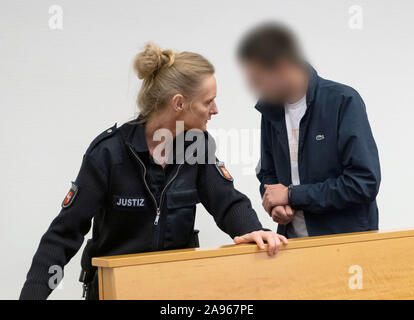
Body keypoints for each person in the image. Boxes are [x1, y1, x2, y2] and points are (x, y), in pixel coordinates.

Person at [20, 43, 287, 300]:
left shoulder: (197, 145)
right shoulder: (109, 153)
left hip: (175, 291)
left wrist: (253, 230)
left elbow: (227, 202)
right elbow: (63, 234)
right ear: (179, 103)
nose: (215, 110)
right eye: (209, 102)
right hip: (114, 290)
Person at [237, 23, 381, 238]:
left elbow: (364, 183)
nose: (256, 88)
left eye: (259, 80)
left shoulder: (343, 101)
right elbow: (268, 174)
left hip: (345, 245)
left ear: (282, 67)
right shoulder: (270, 109)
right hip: (291, 245)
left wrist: (292, 195)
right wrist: (274, 205)